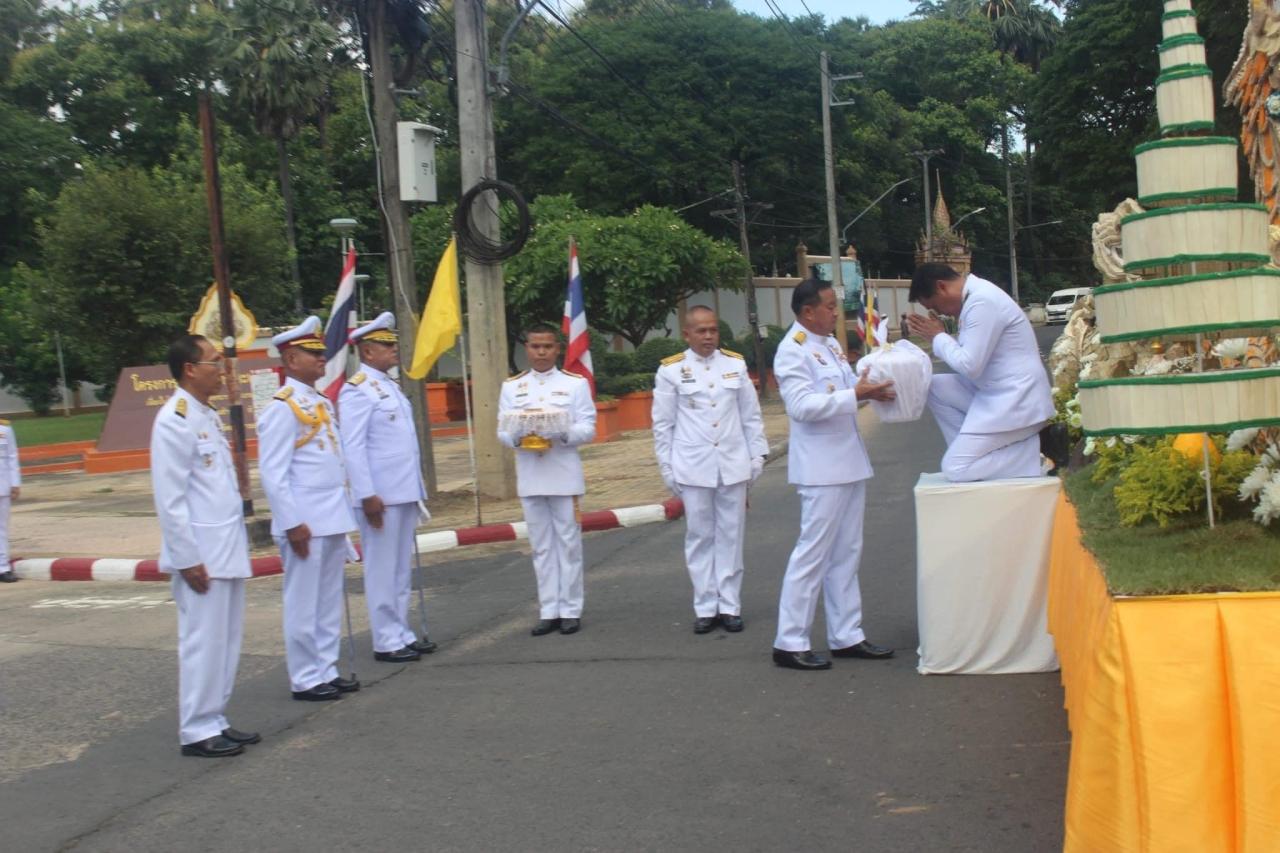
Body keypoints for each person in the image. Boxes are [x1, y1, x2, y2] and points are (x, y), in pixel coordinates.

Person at [771, 278, 897, 671]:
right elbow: (802, 407)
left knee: (846, 553)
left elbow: (843, 394)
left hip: (848, 461)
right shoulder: (792, 351)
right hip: (821, 468)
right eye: (828, 306)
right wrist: (855, 395)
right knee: (812, 555)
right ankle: (790, 641)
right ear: (808, 312)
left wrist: (867, 391)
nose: (834, 313)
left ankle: (846, 635)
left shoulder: (828, 344)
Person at [150, 334, 258, 757]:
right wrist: (187, 558)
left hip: (224, 546)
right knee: (202, 641)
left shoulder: (205, 415)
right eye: (214, 361)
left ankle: (215, 718)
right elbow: (170, 498)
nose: (221, 369)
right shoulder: (174, 420)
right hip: (201, 554)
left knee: (225, 640)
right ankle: (196, 729)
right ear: (190, 369)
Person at [258, 316, 360, 701]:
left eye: (321, 352)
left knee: (328, 600)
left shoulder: (319, 402)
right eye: (312, 353)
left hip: (331, 515)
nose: (321, 358)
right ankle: (305, 677)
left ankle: (326, 669)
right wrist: (291, 522)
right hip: (304, 520)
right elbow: (273, 473)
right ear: (290, 359)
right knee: (303, 602)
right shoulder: (282, 407)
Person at [652, 306, 767, 634]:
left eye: (713, 330)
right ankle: (705, 606)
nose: (708, 336)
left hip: (732, 463)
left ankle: (730, 605)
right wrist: (667, 468)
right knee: (700, 536)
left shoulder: (735, 364)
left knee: (731, 535)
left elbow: (750, 416)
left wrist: (757, 456)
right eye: (701, 331)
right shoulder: (671, 370)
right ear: (686, 334)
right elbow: (663, 425)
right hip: (693, 466)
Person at [340, 311, 436, 664]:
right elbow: (353, 447)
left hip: (403, 491)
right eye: (385, 344)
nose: (394, 348)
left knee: (399, 569)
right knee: (382, 570)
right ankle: (385, 639)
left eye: (393, 343)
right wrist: (366, 494)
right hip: (380, 496)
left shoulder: (389, 386)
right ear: (367, 351)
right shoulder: (357, 391)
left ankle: (401, 632)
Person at [905, 263, 1055, 482]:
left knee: (955, 468)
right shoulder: (974, 298)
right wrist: (941, 337)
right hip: (995, 393)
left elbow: (969, 365)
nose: (940, 313)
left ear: (942, 287)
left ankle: (1034, 453)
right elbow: (969, 357)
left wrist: (938, 337)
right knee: (934, 386)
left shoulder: (982, 301)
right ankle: (972, 456)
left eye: (935, 306)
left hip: (1017, 400)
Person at [497, 323, 596, 636]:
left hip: (563, 474)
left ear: (557, 349)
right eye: (535, 346)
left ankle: (570, 609)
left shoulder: (574, 384)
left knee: (568, 544)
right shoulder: (512, 387)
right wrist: (517, 436)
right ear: (526, 348)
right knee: (541, 547)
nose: (541, 352)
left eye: (547, 346)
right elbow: (502, 431)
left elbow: (588, 427)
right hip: (530, 474)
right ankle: (549, 609)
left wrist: (561, 432)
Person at [0, 417, 18, 583]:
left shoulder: (4, 429)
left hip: (2, 486)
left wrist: (15, 483)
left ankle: (3, 567)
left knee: (1, 529)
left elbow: (12, 456)